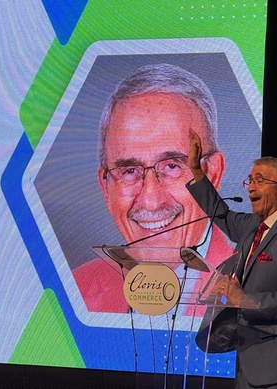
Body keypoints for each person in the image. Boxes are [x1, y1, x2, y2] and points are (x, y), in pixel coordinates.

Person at [73, 64, 233, 313]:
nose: (150, 201)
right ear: (105, 187)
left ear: (213, 174)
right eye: (129, 171)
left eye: (172, 166)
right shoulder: (74, 293)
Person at [187, 129, 277, 389]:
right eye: (250, 180)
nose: (250, 187)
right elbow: (221, 215)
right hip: (249, 362)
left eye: (260, 181)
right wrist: (196, 171)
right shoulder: (253, 226)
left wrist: (244, 299)